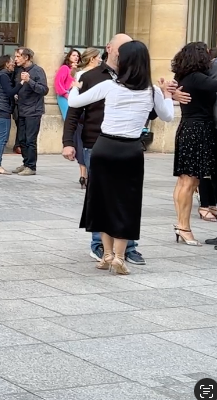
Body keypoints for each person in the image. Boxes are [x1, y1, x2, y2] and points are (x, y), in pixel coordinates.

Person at [69, 40, 174, 275]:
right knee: (126, 203)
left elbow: (75, 101)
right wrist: (167, 95)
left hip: (105, 146)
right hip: (130, 150)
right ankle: (118, 257)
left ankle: (106, 255)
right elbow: (167, 116)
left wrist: (75, 86)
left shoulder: (110, 86)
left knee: (102, 200)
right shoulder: (152, 91)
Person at [63, 35, 142, 264]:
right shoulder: (91, 76)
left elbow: (149, 111)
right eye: (121, 47)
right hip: (95, 143)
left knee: (126, 196)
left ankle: (128, 247)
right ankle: (99, 245)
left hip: (125, 143)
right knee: (100, 195)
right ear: (109, 48)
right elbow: (74, 112)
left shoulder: (134, 78)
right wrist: (68, 142)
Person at [175, 27, 217, 250]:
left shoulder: (201, 71)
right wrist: (172, 90)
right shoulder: (209, 69)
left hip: (206, 130)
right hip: (207, 130)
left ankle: (184, 226)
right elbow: (207, 83)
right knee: (210, 182)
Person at [10, 47, 48, 176]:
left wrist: (29, 81)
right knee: (22, 139)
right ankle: (26, 163)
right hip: (21, 109)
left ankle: (31, 166)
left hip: (33, 110)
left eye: (18, 56)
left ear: (26, 57)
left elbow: (44, 90)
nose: (15, 59)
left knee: (30, 139)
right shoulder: (19, 70)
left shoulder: (38, 71)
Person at [71, 48, 103, 189]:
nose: (101, 60)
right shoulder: (86, 75)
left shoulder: (79, 73)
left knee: (82, 144)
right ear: (92, 59)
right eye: (99, 57)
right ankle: (87, 175)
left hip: (84, 113)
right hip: (87, 113)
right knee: (86, 145)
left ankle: (83, 174)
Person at [54, 48, 80, 120]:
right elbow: (58, 83)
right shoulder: (64, 68)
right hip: (64, 95)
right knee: (68, 117)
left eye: (77, 56)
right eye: (74, 55)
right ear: (69, 57)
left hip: (73, 95)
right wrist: (66, 94)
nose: (76, 57)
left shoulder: (75, 70)